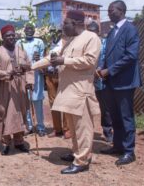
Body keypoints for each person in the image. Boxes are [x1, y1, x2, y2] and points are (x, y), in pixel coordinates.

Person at [50, 10, 101, 174]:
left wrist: (64, 60)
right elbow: (55, 58)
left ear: (77, 23)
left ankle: (82, 161)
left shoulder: (92, 38)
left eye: (66, 23)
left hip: (81, 92)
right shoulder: (70, 40)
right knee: (73, 127)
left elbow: (89, 61)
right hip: (69, 91)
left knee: (83, 129)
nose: (63, 26)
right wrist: (32, 66)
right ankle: (76, 153)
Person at [98, 0, 141, 166]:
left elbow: (131, 56)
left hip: (125, 82)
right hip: (110, 82)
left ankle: (129, 152)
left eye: (111, 10)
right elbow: (108, 55)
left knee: (126, 117)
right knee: (114, 116)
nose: (108, 13)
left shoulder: (130, 29)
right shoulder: (111, 32)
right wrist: (102, 67)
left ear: (121, 10)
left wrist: (109, 70)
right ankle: (117, 145)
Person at [0, 24, 34, 155]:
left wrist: (29, 82)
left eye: (12, 35)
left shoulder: (21, 51)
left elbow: (29, 67)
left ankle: (19, 141)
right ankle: (6, 142)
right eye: (7, 36)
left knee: (19, 113)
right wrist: (8, 73)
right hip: (5, 88)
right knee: (4, 114)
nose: (11, 37)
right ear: (3, 38)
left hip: (20, 88)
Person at [16, 23, 46, 136]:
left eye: (31, 29)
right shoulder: (19, 43)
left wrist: (39, 58)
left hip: (37, 75)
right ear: (24, 30)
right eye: (27, 29)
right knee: (26, 102)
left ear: (34, 31)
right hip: (24, 76)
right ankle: (28, 126)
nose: (29, 31)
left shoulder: (39, 42)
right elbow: (17, 59)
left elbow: (43, 59)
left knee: (38, 102)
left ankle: (40, 126)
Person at [87, 21, 113, 143]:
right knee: (86, 108)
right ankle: (86, 132)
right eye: (89, 32)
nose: (92, 34)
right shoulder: (85, 44)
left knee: (105, 108)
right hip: (87, 81)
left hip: (101, 81)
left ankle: (107, 131)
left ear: (98, 32)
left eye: (94, 32)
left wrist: (100, 70)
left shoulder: (105, 43)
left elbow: (107, 59)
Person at [44, 30, 71, 139]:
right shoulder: (47, 45)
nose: (53, 35)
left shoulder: (66, 44)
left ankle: (67, 129)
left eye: (56, 33)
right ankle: (57, 129)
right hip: (50, 76)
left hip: (62, 76)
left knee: (64, 102)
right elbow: (44, 59)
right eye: (52, 33)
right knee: (53, 103)